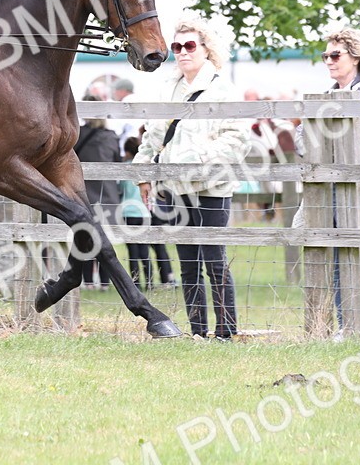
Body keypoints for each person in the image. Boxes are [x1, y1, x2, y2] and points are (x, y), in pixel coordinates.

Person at [133, 17, 249, 339]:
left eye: (189, 46)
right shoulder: (168, 88)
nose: (183, 52)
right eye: (177, 47)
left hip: (212, 187)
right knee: (188, 264)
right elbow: (154, 135)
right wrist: (143, 173)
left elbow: (237, 139)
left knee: (215, 260)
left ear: (205, 49)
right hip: (174, 187)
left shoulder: (223, 89)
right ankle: (198, 331)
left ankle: (225, 332)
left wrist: (198, 160)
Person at [298, 28, 360, 330]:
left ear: (355, 57)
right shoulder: (326, 95)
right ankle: (345, 326)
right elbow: (301, 140)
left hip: (357, 188)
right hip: (324, 187)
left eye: (335, 55)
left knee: (354, 259)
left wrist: (333, 154)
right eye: (326, 56)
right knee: (334, 261)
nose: (329, 61)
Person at [73, 101, 122, 289]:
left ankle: (87, 281)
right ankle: (104, 281)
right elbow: (117, 162)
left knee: (83, 238)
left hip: (83, 194)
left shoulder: (78, 134)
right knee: (104, 240)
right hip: (108, 195)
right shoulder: (111, 137)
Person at [119, 137, 153, 289]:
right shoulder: (144, 169)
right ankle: (150, 282)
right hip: (144, 213)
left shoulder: (125, 168)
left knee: (133, 252)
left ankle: (136, 283)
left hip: (128, 212)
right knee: (144, 251)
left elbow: (120, 190)